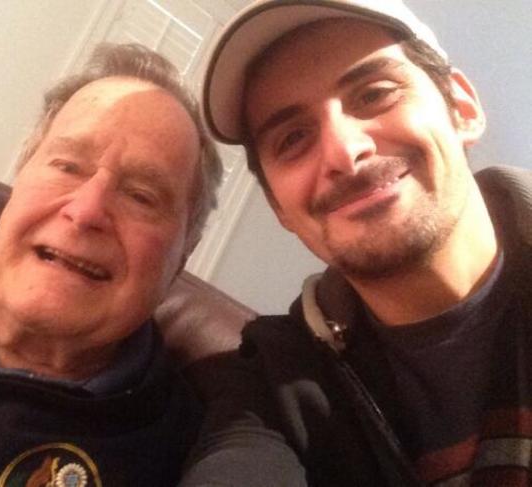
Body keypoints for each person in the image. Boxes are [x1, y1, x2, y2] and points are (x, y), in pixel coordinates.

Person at [181, 0, 532, 485]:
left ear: (463, 109)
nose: (345, 152)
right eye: (293, 138)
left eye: (374, 94)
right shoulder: (274, 384)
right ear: (279, 208)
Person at [0, 43, 222, 486]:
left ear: (184, 253)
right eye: (67, 166)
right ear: (20, 176)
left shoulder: (182, 461)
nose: (85, 210)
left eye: (141, 196)